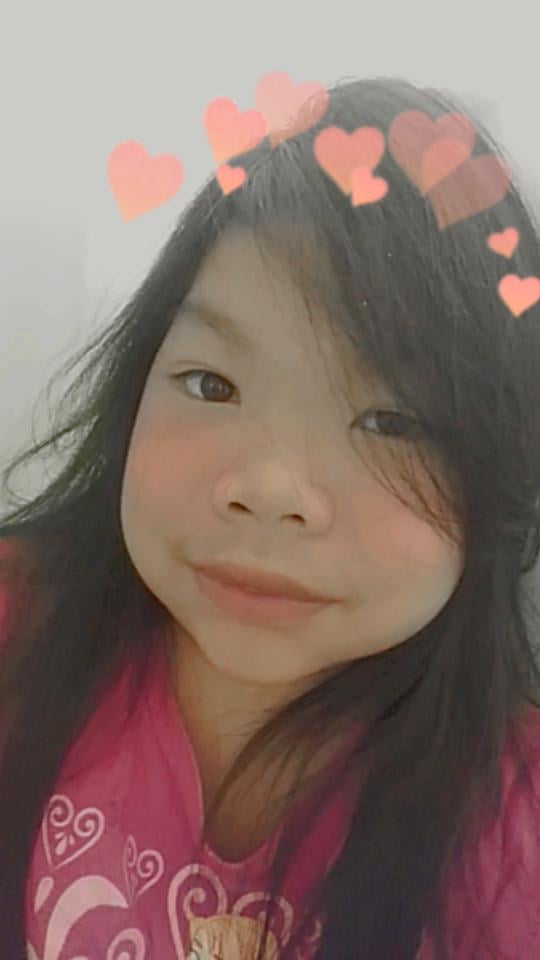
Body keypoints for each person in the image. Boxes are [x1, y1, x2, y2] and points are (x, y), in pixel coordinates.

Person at [0, 74, 540, 960]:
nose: (270, 487)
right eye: (211, 384)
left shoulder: (514, 833)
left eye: (391, 422)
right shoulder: (19, 629)